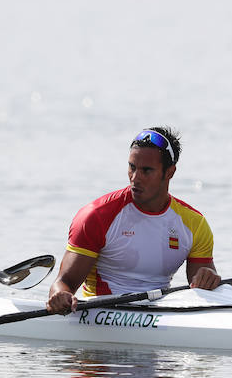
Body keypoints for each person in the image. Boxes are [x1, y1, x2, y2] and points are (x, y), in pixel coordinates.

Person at [46, 126, 221, 314]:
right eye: (132, 167)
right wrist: (60, 296)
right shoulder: (96, 217)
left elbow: (203, 287)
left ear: (170, 172)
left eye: (146, 170)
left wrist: (209, 278)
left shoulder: (194, 224)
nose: (135, 178)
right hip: (103, 313)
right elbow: (64, 283)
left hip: (161, 312)